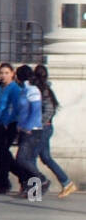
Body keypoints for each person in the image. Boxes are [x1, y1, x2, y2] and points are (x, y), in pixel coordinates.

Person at [33, 64, 76, 199]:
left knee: (30, 157)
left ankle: (35, 187)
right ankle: (66, 183)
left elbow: (49, 110)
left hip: (43, 128)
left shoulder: (43, 90)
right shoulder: (44, 89)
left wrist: (39, 124)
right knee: (45, 157)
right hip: (46, 127)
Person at [12, 64, 51, 200]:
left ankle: (42, 179)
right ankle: (32, 189)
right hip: (24, 129)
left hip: (32, 131)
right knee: (26, 160)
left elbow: (35, 110)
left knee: (22, 160)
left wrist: (28, 126)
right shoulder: (24, 90)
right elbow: (22, 110)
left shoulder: (33, 90)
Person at [0, 62, 20, 195]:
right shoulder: (1, 87)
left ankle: (28, 177)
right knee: (1, 155)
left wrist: (8, 121)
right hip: (0, 123)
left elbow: (16, 107)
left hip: (9, 124)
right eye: (1, 73)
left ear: (12, 74)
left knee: (4, 155)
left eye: (6, 73)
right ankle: (2, 183)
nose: (3, 75)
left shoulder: (14, 88)